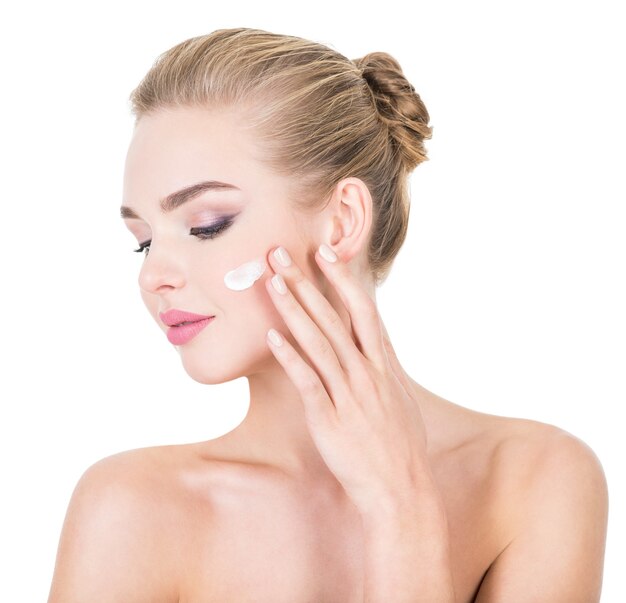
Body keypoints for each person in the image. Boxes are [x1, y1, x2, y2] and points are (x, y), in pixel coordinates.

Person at [47, 27, 608, 602]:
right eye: (143, 241)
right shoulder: (130, 510)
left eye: (205, 225)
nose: (152, 275)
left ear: (341, 221)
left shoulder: (535, 480)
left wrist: (400, 506)